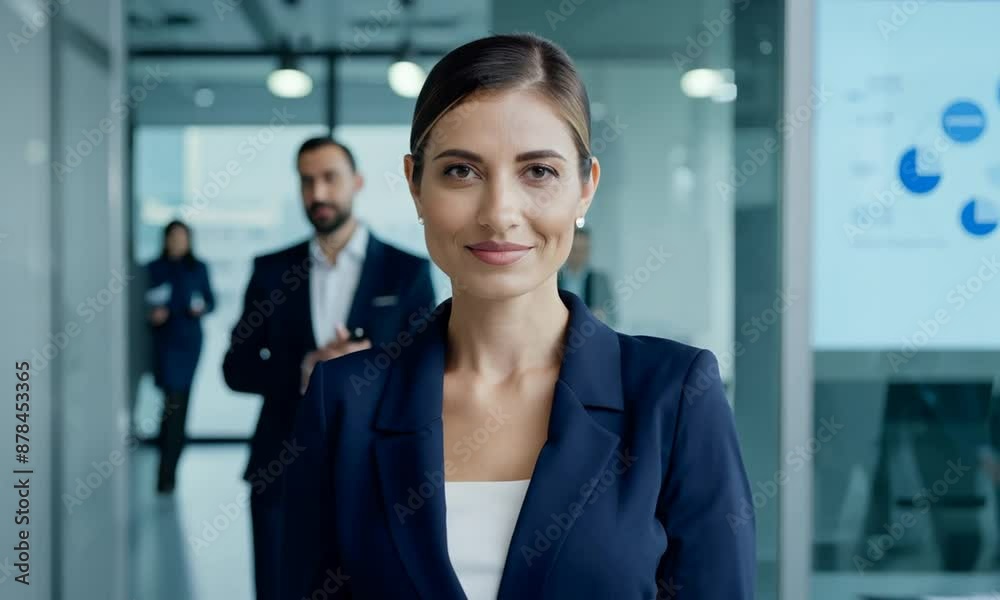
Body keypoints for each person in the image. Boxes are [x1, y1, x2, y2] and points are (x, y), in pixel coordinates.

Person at [280, 34, 755, 600]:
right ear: (415, 184)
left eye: (539, 172)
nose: (499, 214)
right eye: (461, 171)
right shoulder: (344, 404)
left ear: (585, 189)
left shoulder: (673, 398)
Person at [222, 137, 435, 600]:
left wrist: (367, 365)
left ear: (356, 183)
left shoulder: (407, 272)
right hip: (281, 464)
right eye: (307, 181)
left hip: (377, 471)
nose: (317, 193)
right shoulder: (271, 271)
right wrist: (305, 367)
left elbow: (427, 373)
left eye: (329, 178)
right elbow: (235, 367)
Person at [145, 220, 215, 494]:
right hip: (165, 343)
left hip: (189, 343)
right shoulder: (154, 268)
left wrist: (201, 307)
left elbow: (211, 300)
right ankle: (165, 470)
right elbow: (145, 302)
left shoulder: (198, 268)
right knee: (170, 405)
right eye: (173, 237)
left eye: (182, 237)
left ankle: (168, 473)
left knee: (179, 404)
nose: (177, 242)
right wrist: (154, 315)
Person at [557, 226, 615, 324]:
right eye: (575, 250)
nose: (579, 255)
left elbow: (612, 317)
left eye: (583, 250)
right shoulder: (554, 279)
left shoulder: (600, 280)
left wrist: (602, 316)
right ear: (567, 250)